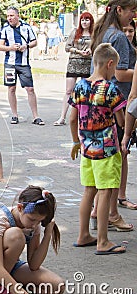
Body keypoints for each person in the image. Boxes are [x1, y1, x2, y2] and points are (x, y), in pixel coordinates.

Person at [69, 43, 127, 255]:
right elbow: (121, 120)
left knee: (88, 191)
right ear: (110, 64)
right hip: (107, 150)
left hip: (86, 149)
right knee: (105, 192)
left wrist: (76, 141)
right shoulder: (111, 89)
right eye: (115, 68)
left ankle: (83, 234)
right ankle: (103, 241)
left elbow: (72, 118)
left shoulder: (80, 86)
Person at [0, 185, 65, 294]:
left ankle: (6, 286)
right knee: (16, 236)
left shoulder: (34, 223)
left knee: (56, 287)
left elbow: (34, 265)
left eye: (39, 221)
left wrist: (48, 233)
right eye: (32, 220)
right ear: (20, 208)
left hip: (10, 265)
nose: (35, 225)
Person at [89, 0, 137, 222]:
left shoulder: (104, 31)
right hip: (114, 103)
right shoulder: (117, 36)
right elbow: (120, 74)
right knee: (113, 162)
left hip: (97, 107)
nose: (133, 16)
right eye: (132, 11)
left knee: (102, 164)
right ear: (120, 10)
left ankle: (99, 210)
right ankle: (110, 214)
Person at [0, 7, 44, 126]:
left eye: (12, 15)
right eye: (8, 16)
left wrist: (26, 46)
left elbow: (34, 42)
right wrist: (10, 48)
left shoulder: (26, 27)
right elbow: (0, 46)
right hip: (10, 63)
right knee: (11, 88)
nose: (9, 18)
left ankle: (36, 116)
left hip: (24, 64)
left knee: (30, 89)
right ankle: (14, 115)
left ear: (18, 16)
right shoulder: (5, 29)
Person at [54, 12, 94, 126]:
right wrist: (78, 51)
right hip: (74, 62)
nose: (84, 22)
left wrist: (90, 51)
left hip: (87, 63)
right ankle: (62, 117)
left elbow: (97, 46)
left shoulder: (94, 33)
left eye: (87, 20)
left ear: (91, 21)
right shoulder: (75, 32)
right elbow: (67, 47)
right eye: (82, 20)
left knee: (86, 91)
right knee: (68, 90)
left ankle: (84, 117)